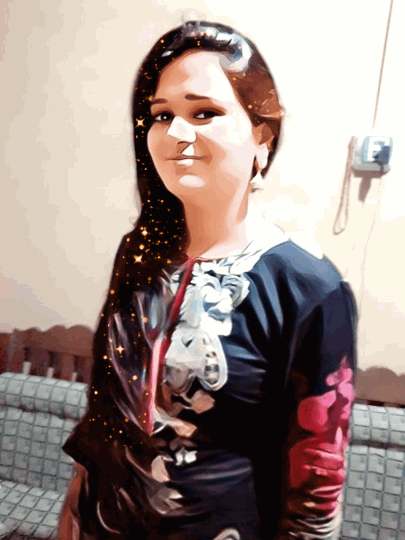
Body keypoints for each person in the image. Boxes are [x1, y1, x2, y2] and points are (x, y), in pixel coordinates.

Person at [57, 20, 358, 540]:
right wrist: (69, 521)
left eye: (203, 113)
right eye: (161, 115)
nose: (176, 134)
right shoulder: (140, 255)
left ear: (262, 136)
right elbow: (103, 422)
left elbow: (316, 488)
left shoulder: (309, 287)